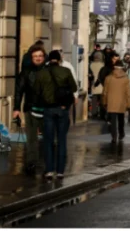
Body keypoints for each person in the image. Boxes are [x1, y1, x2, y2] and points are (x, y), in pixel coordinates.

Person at [33, 50, 78, 180]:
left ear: (48, 60)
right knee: (61, 140)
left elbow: (36, 91)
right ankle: (60, 171)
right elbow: (74, 88)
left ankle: (49, 170)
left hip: (48, 109)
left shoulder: (41, 73)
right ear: (59, 60)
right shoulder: (65, 71)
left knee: (48, 140)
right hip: (62, 109)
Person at [13, 45, 47, 175]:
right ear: (31, 58)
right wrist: (16, 108)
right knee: (31, 138)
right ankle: (31, 162)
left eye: (40, 56)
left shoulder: (48, 71)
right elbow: (19, 91)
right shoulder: (26, 72)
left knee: (48, 138)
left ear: (44, 57)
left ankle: (46, 163)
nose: (38, 58)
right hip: (30, 107)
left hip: (46, 109)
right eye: (35, 56)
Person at [102, 60, 130, 144]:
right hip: (122, 102)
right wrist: (129, 104)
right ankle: (121, 133)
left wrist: (104, 102)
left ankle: (114, 136)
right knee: (121, 118)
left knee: (112, 120)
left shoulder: (108, 78)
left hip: (111, 102)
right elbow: (128, 93)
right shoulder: (126, 79)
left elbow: (105, 92)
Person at [89, 51, 105, 119]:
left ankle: (94, 113)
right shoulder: (103, 65)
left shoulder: (91, 65)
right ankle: (102, 114)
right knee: (102, 101)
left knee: (94, 100)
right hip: (101, 85)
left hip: (94, 85)